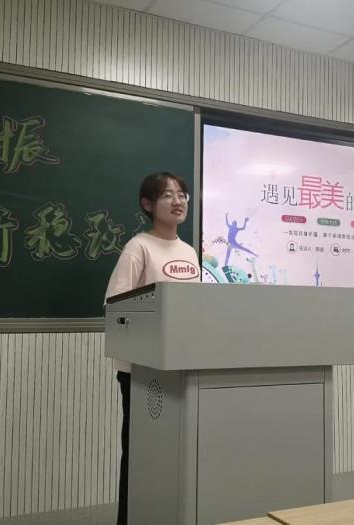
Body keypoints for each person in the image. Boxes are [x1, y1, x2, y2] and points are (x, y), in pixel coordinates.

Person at [104, 172, 200, 525]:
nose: (178, 201)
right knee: (140, 454)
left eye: (182, 195)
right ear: (147, 204)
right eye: (167, 195)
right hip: (142, 371)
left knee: (172, 453)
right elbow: (115, 306)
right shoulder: (138, 247)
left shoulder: (189, 252)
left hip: (181, 368)